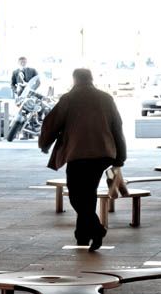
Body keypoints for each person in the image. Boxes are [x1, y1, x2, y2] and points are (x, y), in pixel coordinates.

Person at [38, 68, 127, 251]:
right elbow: (117, 126)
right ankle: (83, 236)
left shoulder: (69, 98)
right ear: (91, 79)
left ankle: (96, 230)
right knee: (88, 194)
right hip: (103, 154)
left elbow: (52, 123)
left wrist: (44, 143)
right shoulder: (105, 98)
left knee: (77, 196)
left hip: (78, 154)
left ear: (75, 79)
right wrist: (121, 155)